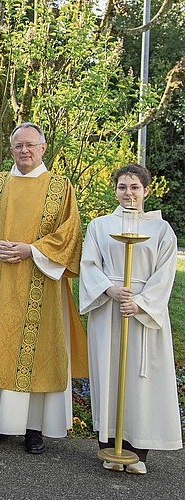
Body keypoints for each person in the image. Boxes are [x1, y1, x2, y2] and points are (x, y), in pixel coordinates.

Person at [0, 122, 84, 454]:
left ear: (44, 148)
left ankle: (34, 428)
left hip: (40, 284)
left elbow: (70, 234)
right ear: (11, 149)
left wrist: (32, 249)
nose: (24, 151)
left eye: (31, 145)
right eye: (18, 146)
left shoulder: (60, 187)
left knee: (37, 352)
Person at [79, 163, 181, 474]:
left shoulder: (161, 230)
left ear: (147, 190)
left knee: (140, 380)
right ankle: (109, 448)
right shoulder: (99, 225)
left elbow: (165, 274)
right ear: (115, 190)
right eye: (123, 187)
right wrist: (110, 290)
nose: (129, 193)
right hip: (110, 308)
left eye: (135, 187)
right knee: (109, 374)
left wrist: (140, 303)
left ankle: (138, 453)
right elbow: (89, 265)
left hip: (143, 314)